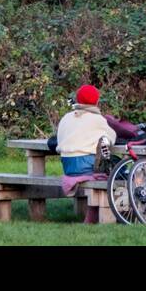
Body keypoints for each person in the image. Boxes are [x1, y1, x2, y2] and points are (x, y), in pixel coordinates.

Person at [54, 84, 117, 225]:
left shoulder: (66, 117)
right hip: (85, 165)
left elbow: (59, 139)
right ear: (96, 101)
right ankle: (113, 211)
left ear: (77, 99)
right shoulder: (98, 120)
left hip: (67, 166)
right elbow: (112, 138)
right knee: (114, 168)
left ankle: (93, 213)